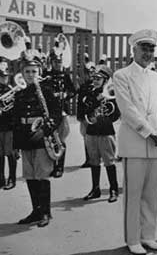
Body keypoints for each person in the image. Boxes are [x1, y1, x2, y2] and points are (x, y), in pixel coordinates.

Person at [114, 29, 157, 255]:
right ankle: (133, 239)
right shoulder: (122, 75)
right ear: (133, 49)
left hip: (156, 143)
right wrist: (150, 132)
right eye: (143, 48)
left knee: (151, 194)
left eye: (151, 49)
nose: (147, 53)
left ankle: (149, 236)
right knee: (133, 194)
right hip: (136, 143)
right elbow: (127, 110)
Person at [13, 54, 62, 227]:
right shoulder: (19, 94)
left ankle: (46, 213)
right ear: (22, 73)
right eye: (27, 71)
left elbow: (57, 114)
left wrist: (46, 130)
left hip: (41, 137)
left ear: (39, 72)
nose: (31, 74)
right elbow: (15, 120)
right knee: (30, 176)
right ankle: (36, 211)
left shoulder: (46, 91)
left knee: (42, 176)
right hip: (25, 138)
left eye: (34, 71)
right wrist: (15, 145)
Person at [81, 65, 120, 203]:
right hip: (92, 131)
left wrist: (106, 113)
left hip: (105, 130)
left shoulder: (111, 93)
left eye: (99, 79)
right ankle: (95, 189)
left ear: (105, 80)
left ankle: (113, 189)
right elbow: (84, 109)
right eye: (94, 78)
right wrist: (95, 102)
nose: (96, 81)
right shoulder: (90, 93)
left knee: (109, 161)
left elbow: (115, 114)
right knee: (94, 161)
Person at [42, 49, 76, 178]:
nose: (58, 64)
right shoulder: (46, 75)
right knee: (49, 139)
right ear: (51, 62)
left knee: (61, 140)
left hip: (62, 111)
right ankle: (51, 165)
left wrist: (66, 94)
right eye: (56, 62)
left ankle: (59, 166)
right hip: (49, 112)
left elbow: (73, 90)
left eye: (60, 62)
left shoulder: (65, 76)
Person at [76, 62, 96, 168]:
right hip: (85, 117)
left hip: (94, 116)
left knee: (96, 138)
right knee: (86, 138)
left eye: (93, 72)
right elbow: (79, 103)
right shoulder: (83, 87)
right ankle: (88, 159)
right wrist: (80, 116)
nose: (91, 75)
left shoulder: (98, 86)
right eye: (89, 73)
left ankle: (95, 159)